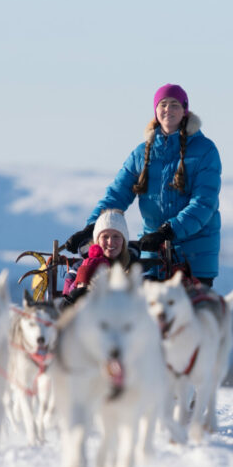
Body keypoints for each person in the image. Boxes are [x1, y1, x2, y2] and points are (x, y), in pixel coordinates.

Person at [63, 83, 222, 287]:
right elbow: (117, 195)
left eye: (174, 104)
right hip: (152, 254)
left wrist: (168, 231)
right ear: (155, 111)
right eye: (163, 104)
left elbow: (204, 203)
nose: (168, 109)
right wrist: (93, 227)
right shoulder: (142, 153)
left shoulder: (205, 151)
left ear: (185, 110)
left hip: (195, 255)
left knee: (188, 314)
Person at [61, 208, 138, 304]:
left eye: (116, 236)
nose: (110, 242)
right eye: (105, 236)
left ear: (124, 240)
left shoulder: (134, 268)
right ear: (97, 240)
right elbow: (64, 306)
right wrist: (75, 293)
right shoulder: (78, 268)